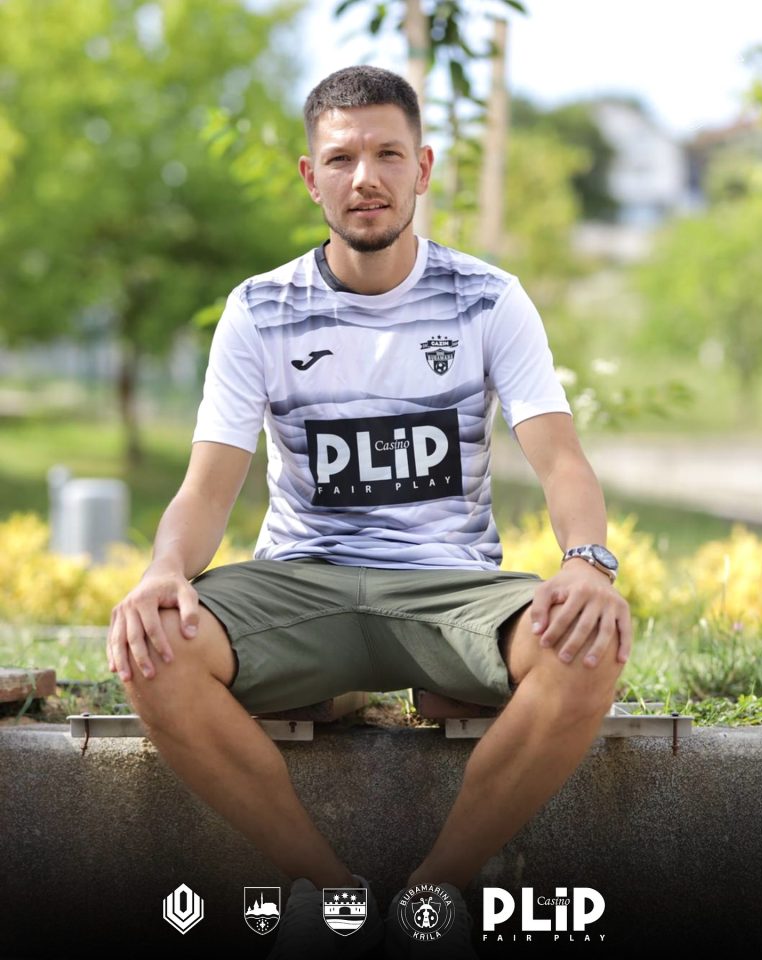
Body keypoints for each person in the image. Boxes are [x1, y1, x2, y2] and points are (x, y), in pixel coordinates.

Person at [107, 65, 632, 959]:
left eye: (388, 154)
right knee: (152, 650)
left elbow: (562, 461)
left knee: (590, 649)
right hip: (301, 582)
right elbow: (206, 487)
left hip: (448, 588)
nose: (366, 178)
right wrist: (162, 571)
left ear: (422, 167)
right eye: (341, 158)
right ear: (310, 178)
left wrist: (587, 560)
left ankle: (435, 897)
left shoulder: (489, 298)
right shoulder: (259, 309)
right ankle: (327, 894)